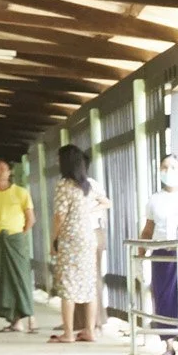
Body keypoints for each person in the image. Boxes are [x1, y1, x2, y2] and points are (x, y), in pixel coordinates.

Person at [49, 144, 107, 343]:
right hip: (88, 237)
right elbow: (105, 201)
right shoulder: (87, 185)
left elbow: (59, 216)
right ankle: (90, 330)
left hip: (70, 238)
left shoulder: (63, 185)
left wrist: (53, 240)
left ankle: (68, 333)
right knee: (88, 283)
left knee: (68, 284)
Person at [140, 154, 178, 355]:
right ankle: (169, 345)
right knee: (162, 296)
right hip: (161, 252)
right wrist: (141, 251)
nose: (168, 171)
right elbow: (148, 229)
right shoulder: (155, 199)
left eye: (173, 167)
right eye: (164, 167)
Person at [0, 157, 38, 332]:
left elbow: (31, 219)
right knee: (2, 280)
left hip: (16, 238)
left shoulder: (21, 192)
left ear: (9, 172)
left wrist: (20, 235)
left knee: (21, 277)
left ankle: (31, 317)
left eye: (2, 169)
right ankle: (14, 320)